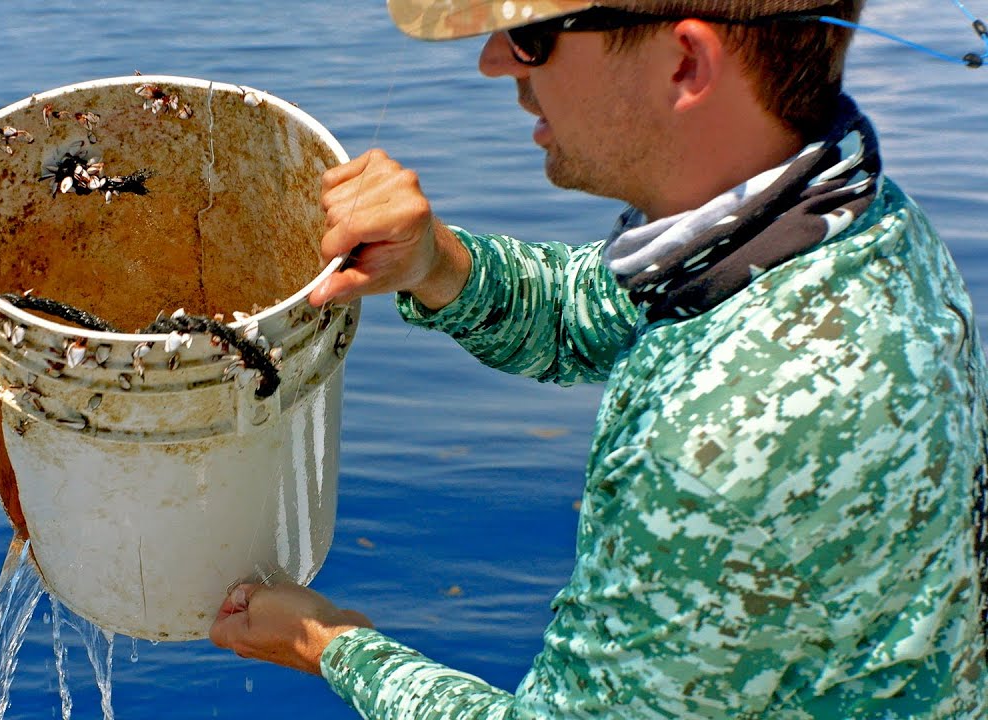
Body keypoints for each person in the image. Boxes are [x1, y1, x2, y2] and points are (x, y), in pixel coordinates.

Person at [210, 0, 988, 716]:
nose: (494, 62)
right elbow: (601, 312)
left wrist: (333, 646)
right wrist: (433, 263)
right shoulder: (856, 218)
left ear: (685, 61)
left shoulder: (723, 446)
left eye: (535, 37)